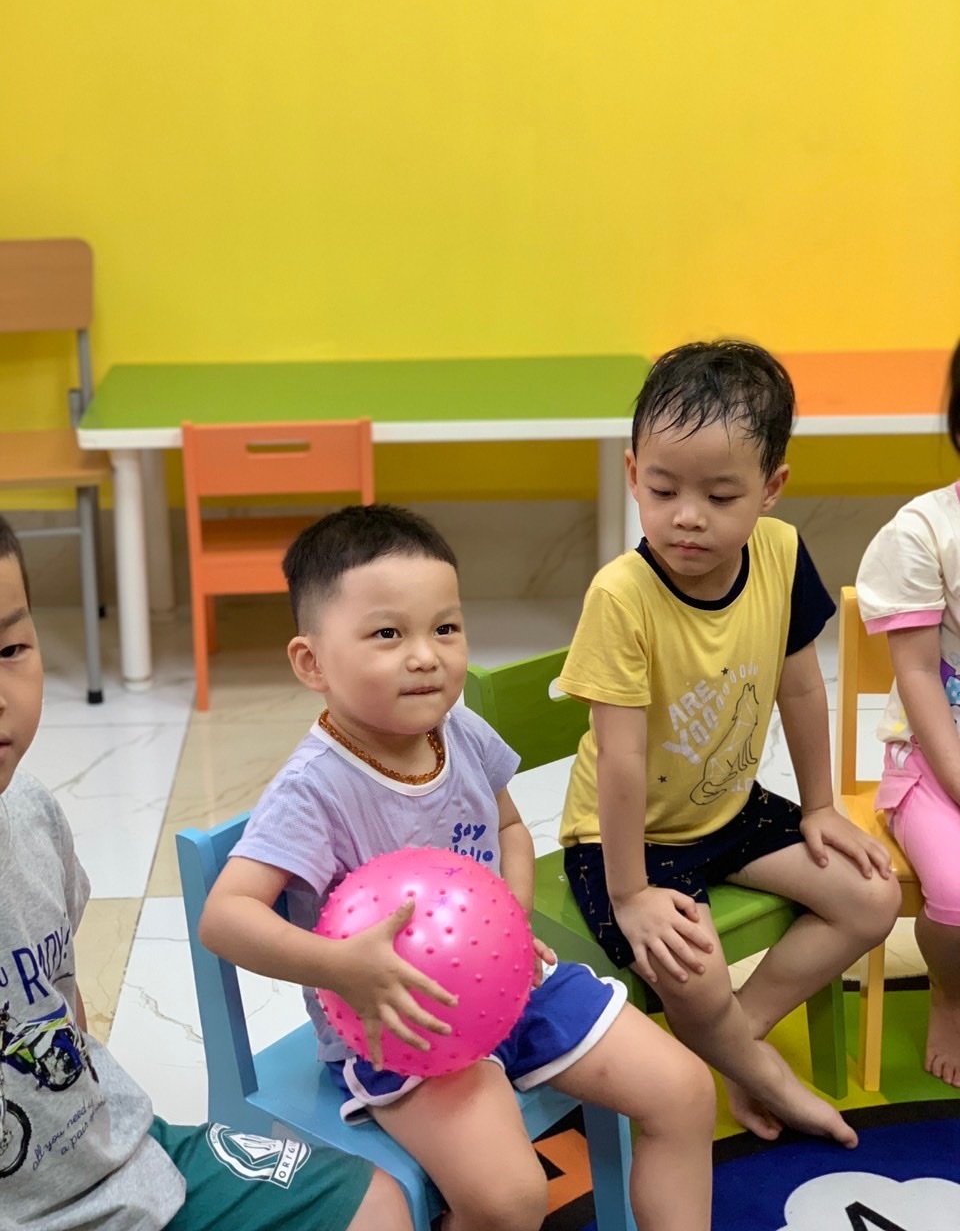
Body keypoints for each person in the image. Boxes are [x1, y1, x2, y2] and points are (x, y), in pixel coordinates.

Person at [199, 503, 716, 1231]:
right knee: (510, 1200)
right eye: (388, 634)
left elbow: (508, 827)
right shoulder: (313, 790)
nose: (426, 656)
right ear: (311, 662)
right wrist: (342, 966)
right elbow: (224, 919)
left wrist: (512, 913)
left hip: (512, 984)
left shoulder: (460, 729)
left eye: (445, 628)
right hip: (403, 1025)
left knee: (685, 1090)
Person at [0, 516, 412, 1231]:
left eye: (9, 649)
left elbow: (62, 1001)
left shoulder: (31, 812)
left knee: (374, 1203)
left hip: (126, 1160)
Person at [557, 339, 902, 1147]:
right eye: (664, 489)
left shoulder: (779, 554)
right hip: (628, 838)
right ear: (633, 473)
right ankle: (766, 1075)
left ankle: (730, 1044)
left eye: (719, 495)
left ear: (771, 489)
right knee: (690, 967)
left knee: (874, 898)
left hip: (729, 809)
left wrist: (819, 807)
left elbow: (801, 688)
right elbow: (622, 760)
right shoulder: (621, 596)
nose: (687, 516)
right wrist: (632, 895)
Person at [855, 341, 960, 1089]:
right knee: (955, 893)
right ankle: (951, 996)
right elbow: (918, 673)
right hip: (933, 758)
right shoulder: (925, 532)